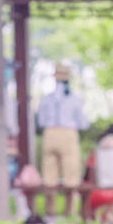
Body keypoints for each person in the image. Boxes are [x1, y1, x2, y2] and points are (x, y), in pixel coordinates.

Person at [37, 63, 89, 215]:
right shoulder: (68, 99)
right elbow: (83, 123)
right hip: (61, 133)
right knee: (60, 176)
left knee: (60, 176)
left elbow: (41, 121)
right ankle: (60, 212)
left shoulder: (55, 99)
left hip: (57, 133)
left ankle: (60, 212)